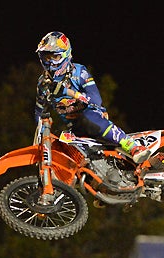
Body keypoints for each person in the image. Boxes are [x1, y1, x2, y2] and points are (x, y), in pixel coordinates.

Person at [34, 31, 150, 164]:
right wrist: (42, 136)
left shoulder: (79, 72)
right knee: (60, 145)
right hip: (74, 129)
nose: (49, 62)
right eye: (46, 57)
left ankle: (133, 146)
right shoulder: (43, 84)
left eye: (54, 57)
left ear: (65, 55)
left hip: (93, 116)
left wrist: (69, 92)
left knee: (87, 118)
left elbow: (95, 100)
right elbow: (39, 112)